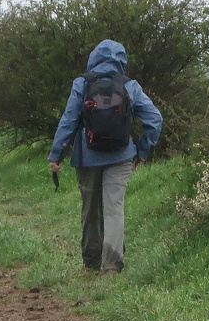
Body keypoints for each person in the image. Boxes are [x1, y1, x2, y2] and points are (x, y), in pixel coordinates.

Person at [48, 40, 163, 274]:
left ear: (93, 58)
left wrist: (57, 154)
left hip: (87, 158)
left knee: (90, 211)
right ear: (122, 60)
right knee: (114, 209)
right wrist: (141, 151)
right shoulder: (130, 86)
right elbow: (155, 119)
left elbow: (69, 121)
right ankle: (111, 266)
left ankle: (91, 264)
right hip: (121, 157)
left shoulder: (82, 83)